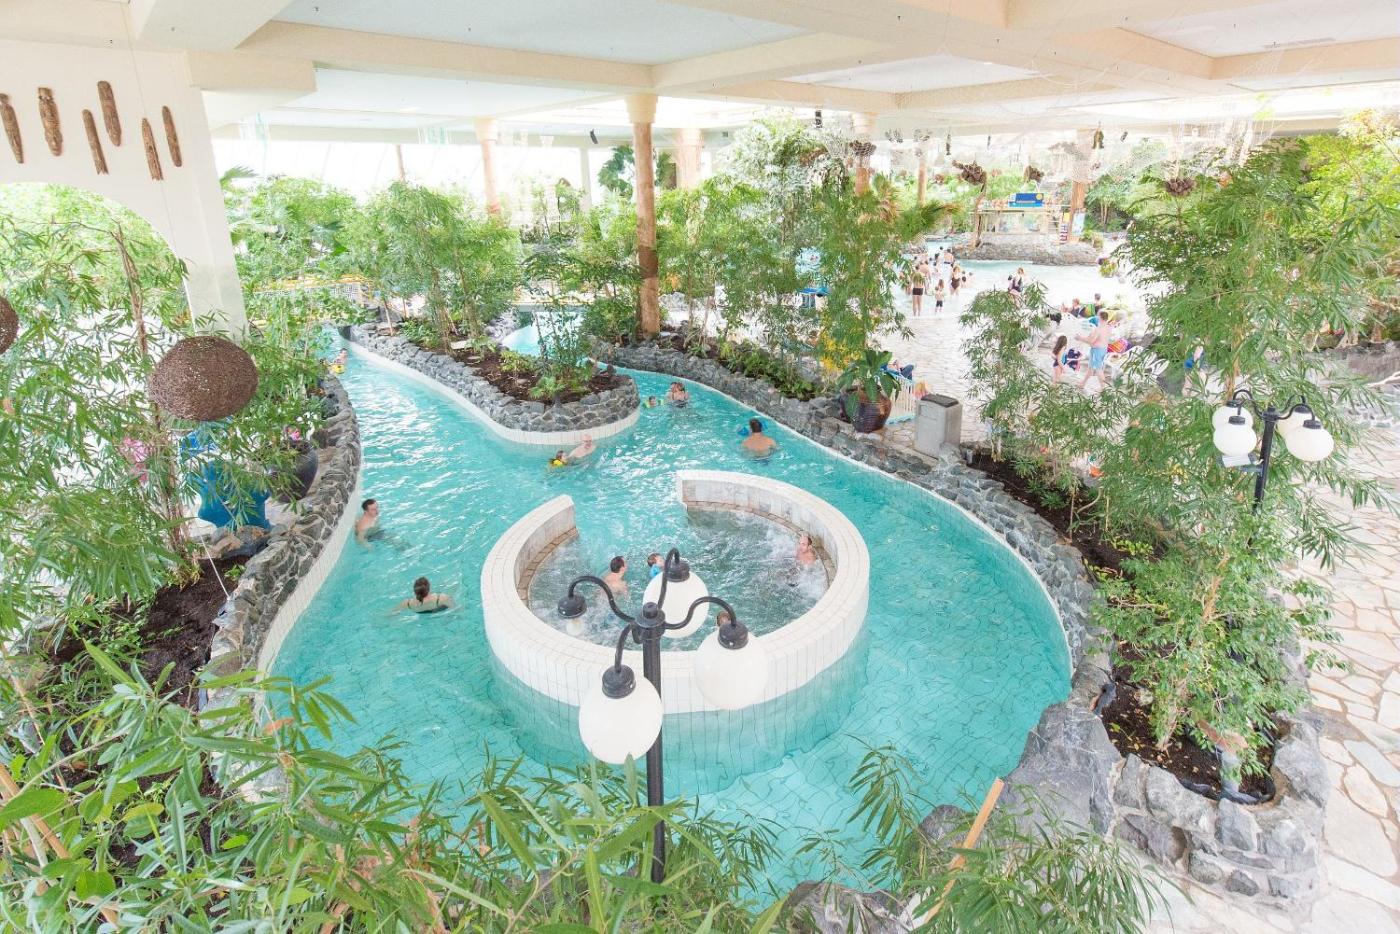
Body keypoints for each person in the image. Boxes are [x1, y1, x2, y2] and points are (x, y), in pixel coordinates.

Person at [1078, 312, 1113, 392]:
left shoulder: (1098, 329)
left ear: (1100, 318)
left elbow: (1091, 341)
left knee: (1098, 369)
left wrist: (1080, 338)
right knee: (1090, 368)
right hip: (1103, 349)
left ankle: (1103, 388)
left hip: (1096, 350)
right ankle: (1083, 383)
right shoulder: (1108, 327)